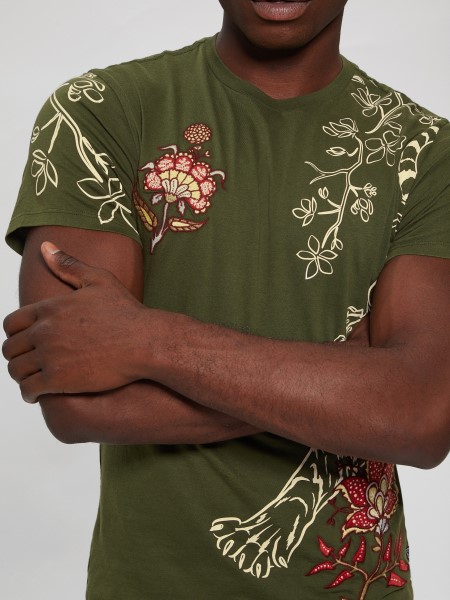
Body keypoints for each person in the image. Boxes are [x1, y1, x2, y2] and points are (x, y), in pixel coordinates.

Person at [3, 0, 449, 598]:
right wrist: (347, 390)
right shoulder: (99, 112)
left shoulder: (427, 152)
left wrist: (147, 339)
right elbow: (75, 400)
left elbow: (421, 418)